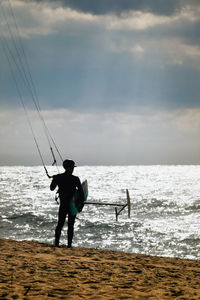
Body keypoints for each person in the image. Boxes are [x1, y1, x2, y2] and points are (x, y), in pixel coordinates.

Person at [50, 159, 84, 248]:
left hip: (63, 204)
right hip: (72, 205)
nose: (73, 169)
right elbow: (81, 194)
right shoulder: (75, 179)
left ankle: (56, 244)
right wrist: (80, 205)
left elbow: (52, 188)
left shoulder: (58, 177)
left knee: (60, 224)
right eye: (72, 167)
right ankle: (69, 245)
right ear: (68, 168)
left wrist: (54, 179)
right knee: (70, 225)